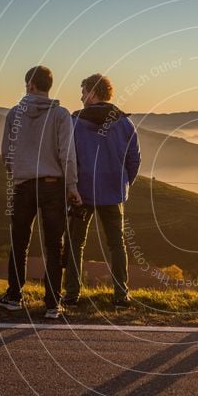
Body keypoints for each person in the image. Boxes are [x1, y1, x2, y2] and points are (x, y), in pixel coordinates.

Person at [0, 65, 81, 319]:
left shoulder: (14, 114)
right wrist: (71, 186)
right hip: (52, 185)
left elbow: (6, 153)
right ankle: (52, 303)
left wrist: (17, 172)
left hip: (23, 185)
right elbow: (66, 154)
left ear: (31, 85)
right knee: (54, 245)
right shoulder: (61, 115)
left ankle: (14, 296)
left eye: (26, 84)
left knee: (19, 240)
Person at [62, 74, 140, 309]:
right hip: (113, 192)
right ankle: (120, 294)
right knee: (117, 244)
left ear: (93, 93)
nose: (81, 96)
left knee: (76, 242)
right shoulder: (124, 123)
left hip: (81, 192)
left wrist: (70, 186)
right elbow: (134, 160)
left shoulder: (75, 123)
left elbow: (68, 158)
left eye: (84, 91)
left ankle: (71, 294)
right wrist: (124, 184)